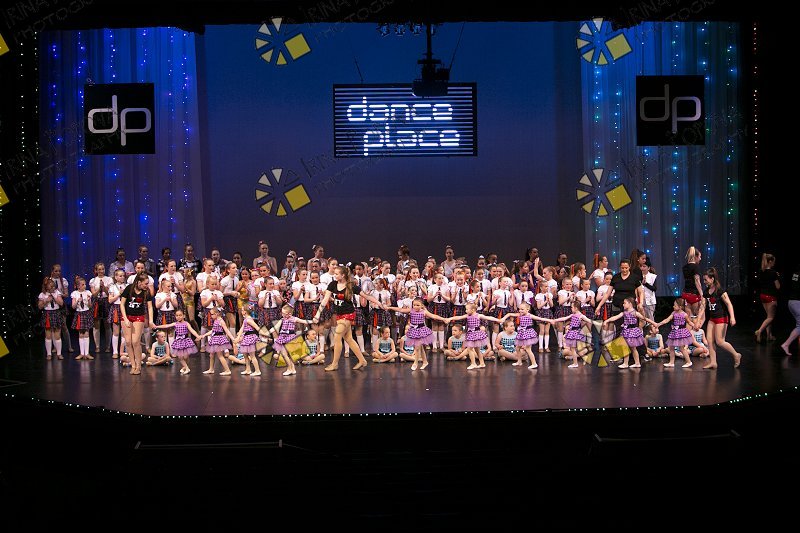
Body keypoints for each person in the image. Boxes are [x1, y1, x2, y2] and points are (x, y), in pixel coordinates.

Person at [313, 265, 384, 371]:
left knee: (337, 337)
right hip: (339, 315)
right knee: (349, 339)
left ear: (343, 275)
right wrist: (317, 314)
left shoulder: (351, 286)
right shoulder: (333, 284)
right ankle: (362, 360)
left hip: (348, 315)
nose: (335, 275)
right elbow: (325, 299)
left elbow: (366, 296)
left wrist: (379, 303)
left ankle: (334, 364)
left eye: (337, 274)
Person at [385, 297, 448, 371]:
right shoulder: (411, 310)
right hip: (413, 331)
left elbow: (433, 316)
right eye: (414, 305)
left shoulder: (424, 312)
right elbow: (401, 310)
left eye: (418, 305)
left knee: (417, 347)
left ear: (422, 305)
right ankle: (425, 362)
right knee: (420, 348)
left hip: (421, 331)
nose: (415, 307)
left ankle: (415, 363)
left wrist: (443, 319)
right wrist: (390, 308)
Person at [447, 303, 507, 370]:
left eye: (467, 309)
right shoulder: (467, 316)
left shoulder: (478, 315)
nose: (466, 311)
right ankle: (482, 363)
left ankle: (473, 363)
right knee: (477, 350)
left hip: (476, 334)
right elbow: (458, 317)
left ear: (472, 310)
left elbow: (489, 317)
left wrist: (498, 320)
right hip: (471, 333)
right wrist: (450, 318)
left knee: (469, 349)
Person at [702, 268, 742, 369]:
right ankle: (713, 362)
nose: (704, 282)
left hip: (721, 318)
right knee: (709, 340)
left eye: (706, 279)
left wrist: (732, 317)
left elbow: (729, 304)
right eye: (704, 280)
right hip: (712, 319)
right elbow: (703, 306)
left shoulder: (720, 290)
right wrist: (699, 320)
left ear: (712, 279)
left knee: (720, 341)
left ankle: (736, 355)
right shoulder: (706, 292)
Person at [120, 272, 155, 375]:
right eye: (145, 283)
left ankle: (138, 365)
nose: (147, 286)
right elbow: (122, 304)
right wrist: (125, 318)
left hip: (138, 317)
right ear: (139, 282)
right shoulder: (129, 288)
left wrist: (151, 320)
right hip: (127, 316)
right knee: (128, 342)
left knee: (135, 342)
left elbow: (150, 307)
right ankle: (133, 365)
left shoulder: (146, 292)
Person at [603, 297, 650, 369]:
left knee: (633, 348)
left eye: (624, 303)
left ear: (630, 304)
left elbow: (644, 318)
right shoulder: (624, 313)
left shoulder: (635, 312)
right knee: (625, 348)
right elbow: (615, 317)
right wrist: (607, 320)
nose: (623, 305)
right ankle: (627, 363)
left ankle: (636, 363)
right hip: (626, 332)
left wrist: (654, 323)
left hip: (632, 332)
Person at [153, 308, 203, 375]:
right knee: (180, 357)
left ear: (183, 316)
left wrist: (197, 336)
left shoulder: (186, 323)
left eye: (180, 315)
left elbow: (192, 330)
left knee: (186, 357)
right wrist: (157, 326)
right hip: (179, 342)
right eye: (177, 315)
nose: (178, 317)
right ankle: (187, 368)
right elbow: (167, 325)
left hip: (185, 341)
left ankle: (184, 367)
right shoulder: (175, 324)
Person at [552, 301, 596, 368]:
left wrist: (597, 323)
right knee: (573, 349)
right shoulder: (573, 315)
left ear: (576, 308)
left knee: (573, 349)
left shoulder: (581, 316)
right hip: (572, 332)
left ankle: (575, 363)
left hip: (575, 333)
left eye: (572, 307)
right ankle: (576, 361)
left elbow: (589, 320)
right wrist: (556, 320)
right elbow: (564, 318)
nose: (571, 308)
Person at [653, 298, 694, 368]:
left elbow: (689, 322)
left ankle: (689, 362)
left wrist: (695, 326)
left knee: (681, 348)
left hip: (681, 333)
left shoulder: (684, 315)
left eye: (675, 305)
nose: (673, 306)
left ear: (680, 307)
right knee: (671, 347)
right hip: (674, 332)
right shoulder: (673, 313)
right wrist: (659, 324)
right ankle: (671, 362)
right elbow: (667, 320)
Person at [232, 305, 265, 375]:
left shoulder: (249, 320)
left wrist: (264, 334)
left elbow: (257, 327)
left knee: (252, 356)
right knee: (245, 355)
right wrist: (238, 338)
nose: (241, 311)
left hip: (250, 338)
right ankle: (248, 369)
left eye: (242, 310)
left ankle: (257, 370)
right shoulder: (245, 319)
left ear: (245, 312)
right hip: (246, 338)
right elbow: (241, 329)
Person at [755, 253, 780, 343]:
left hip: (763, 295)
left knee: (768, 317)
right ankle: (759, 331)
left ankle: (769, 336)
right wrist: (777, 277)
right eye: (773, 261)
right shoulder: (773, 273)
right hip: (771, 296)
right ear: (770, 261)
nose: (774, 263)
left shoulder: (761, 271)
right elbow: (778, 286)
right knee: (770, 318)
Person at [89, 262, 113, 355]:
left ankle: (108, 346)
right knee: (96, 325)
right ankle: (97, 346)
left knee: (107, 324)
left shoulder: (109, 279)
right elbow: (93, 294)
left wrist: (104, 287)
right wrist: (99, 288)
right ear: (96, 270)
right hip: (97, 302)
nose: (101, 271)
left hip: (106, 301)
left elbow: (109, 293)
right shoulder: (93, 280)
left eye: (103, 269)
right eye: (99, 269)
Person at [38, 277, 64, 360]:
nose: (53, 288)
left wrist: (54, 297)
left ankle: (59, 353)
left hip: (56, 313)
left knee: (57, 335)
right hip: (47, 314)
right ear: (46, 287)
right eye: (51, 286)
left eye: (53, 286)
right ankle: (49, 354)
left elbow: (61, 303)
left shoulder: (57, 292)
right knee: (48, 335)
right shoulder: (42, 294)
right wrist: (46, 300)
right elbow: (39, 306)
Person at [70, 276, 94, 360]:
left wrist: (88, 300)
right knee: (81, 334)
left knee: (86, 333)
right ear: (78, 286)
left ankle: (86, 353)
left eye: (85, 284)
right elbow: (73, 307)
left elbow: (90, 306)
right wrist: (77, 301)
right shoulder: (74, 293)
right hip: (79, 314)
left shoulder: (88, 292)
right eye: (83, 284)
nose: (85, 286)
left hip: (86, 313)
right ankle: (81, 353)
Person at [107, 268, 128, 359]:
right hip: (116, 308)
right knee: (116, 331)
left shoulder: (127, 286)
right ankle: (115, 351)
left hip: (125, 308)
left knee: (124, 332)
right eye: (120, 276)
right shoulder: (112, 287)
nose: (122, 277)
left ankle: (123, 351)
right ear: (115, 277)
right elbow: (110, 300)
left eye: (123, 276)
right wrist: (119, 294)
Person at [681, 246, 704, 324]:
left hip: (686, 294)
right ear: (695, 257)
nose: (700, 259)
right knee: (696, 317)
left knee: (688, 318)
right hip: (694, 294)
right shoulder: (695, 267)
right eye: (699, 256)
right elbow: (697, 281)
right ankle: (696, 331)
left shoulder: (684, 267)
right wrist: (702, 294)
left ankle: (689, 332)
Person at [781, 265, 800, 356]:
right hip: (797, 302)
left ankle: (786, 344)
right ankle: (786, 344)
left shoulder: (796, 273)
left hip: (791, 302)